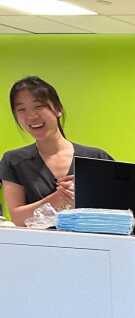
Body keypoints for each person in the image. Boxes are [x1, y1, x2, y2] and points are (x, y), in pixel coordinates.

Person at [0, 76, 111, 226]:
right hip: (36, 241)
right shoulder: (13, 161)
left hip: (92, 241)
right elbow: (18, 218)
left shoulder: (97, 158)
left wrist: (85, 195)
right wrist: (58, 198)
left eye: (39, 106)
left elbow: (119, 211)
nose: (31, 116)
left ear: (58, 109)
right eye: (21, 109)